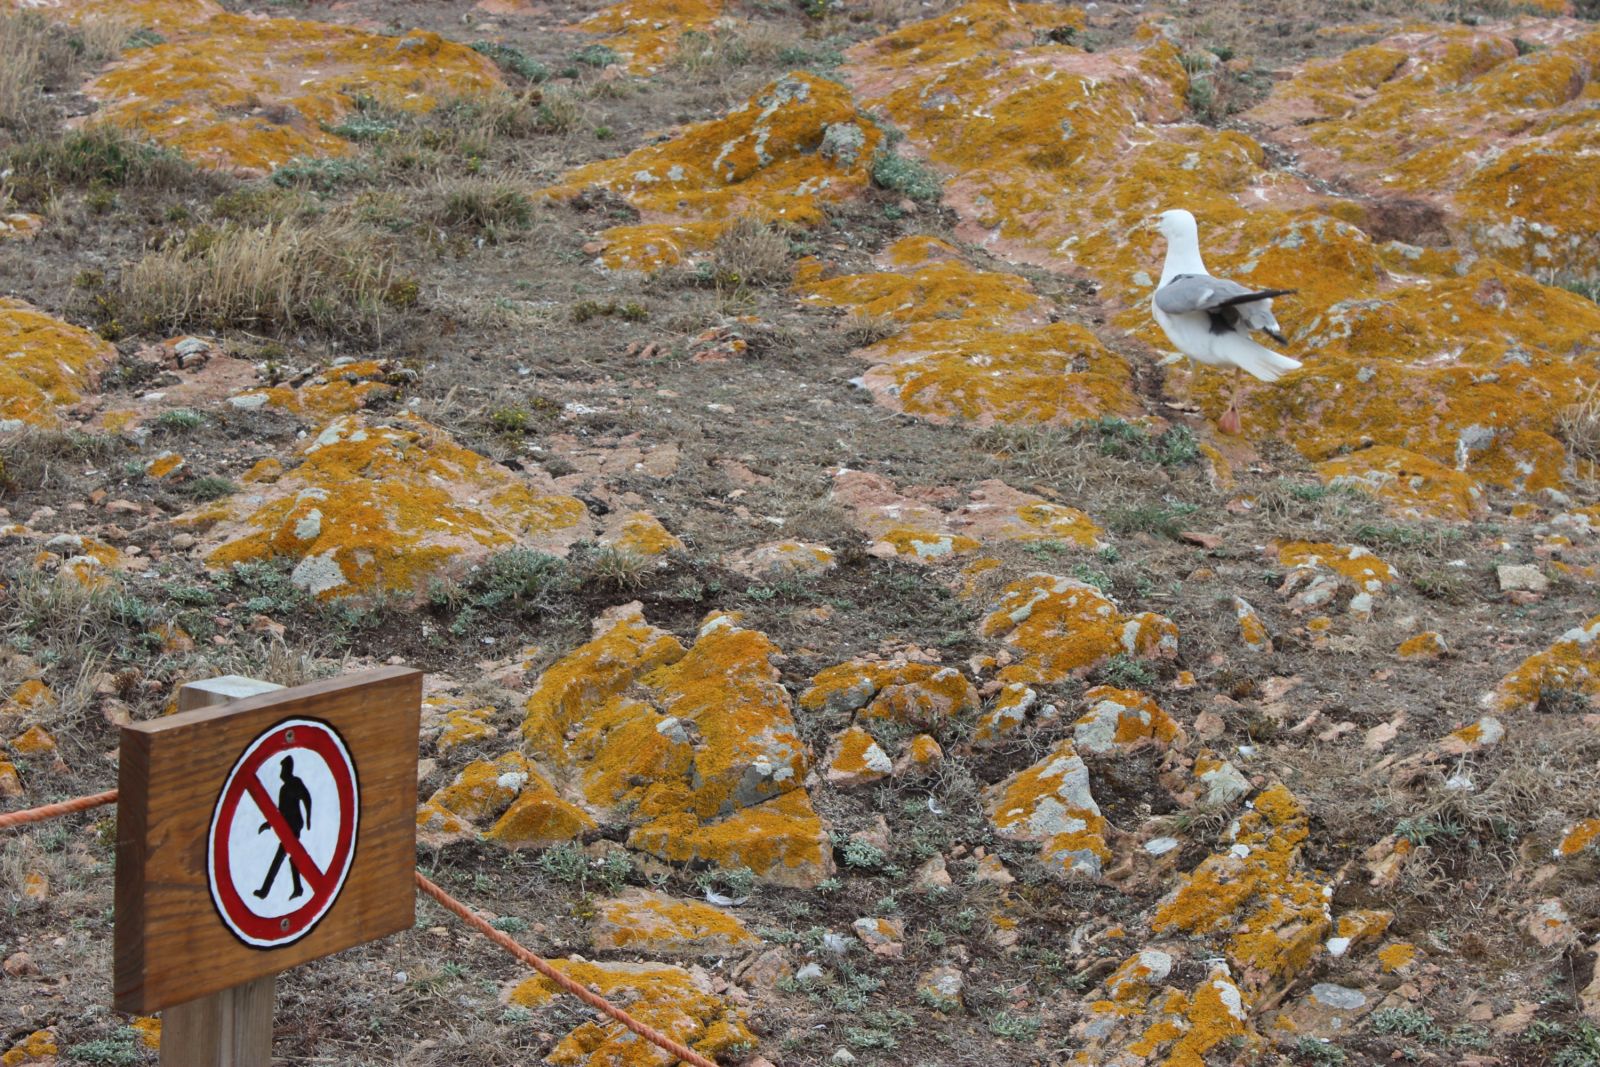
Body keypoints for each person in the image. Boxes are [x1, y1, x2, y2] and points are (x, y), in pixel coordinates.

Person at [254, 755, 313, 900]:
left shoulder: (294, 783)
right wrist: (269, 823)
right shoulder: (283, 788)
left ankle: (265, 891)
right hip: (287, 827)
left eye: (282, 768)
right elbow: (280, 812)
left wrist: (308, 818)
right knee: (293, 857)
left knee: (280, 858)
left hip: (294, 826)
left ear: (287, 769)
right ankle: (297, 888)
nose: (281, 772)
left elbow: (307, 798)